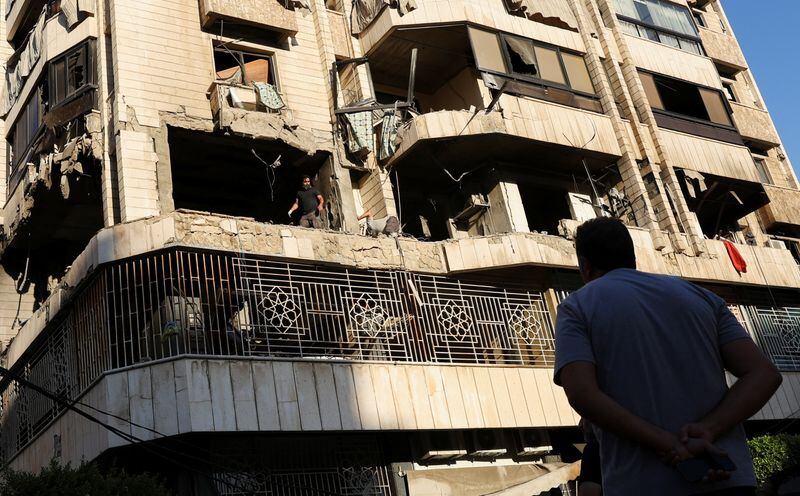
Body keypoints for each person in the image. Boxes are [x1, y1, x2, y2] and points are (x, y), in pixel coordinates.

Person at [554, 217, 782, 496]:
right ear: (632, 257)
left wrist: (669, 444)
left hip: (641, 484)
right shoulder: (702, 298)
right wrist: (708, 430)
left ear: (585, 265)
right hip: (726, 477)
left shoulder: (577, 306)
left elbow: (582, 394)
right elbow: (765, 374)